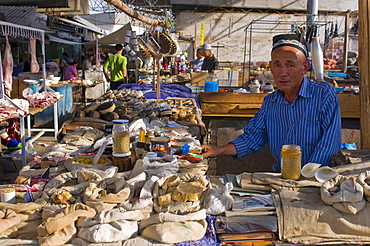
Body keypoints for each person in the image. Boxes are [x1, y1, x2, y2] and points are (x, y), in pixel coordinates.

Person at [201, 33, 341, 172]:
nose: (282, 72)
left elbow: (329, 144)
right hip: (281, 177)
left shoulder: (323, 94)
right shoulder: (270, 102)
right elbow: (252, 138)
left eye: (290, 65)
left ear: (305, 67)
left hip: (318, 179)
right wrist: (216, 150)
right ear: (270, 67)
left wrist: (307, 176)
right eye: (277, 65)